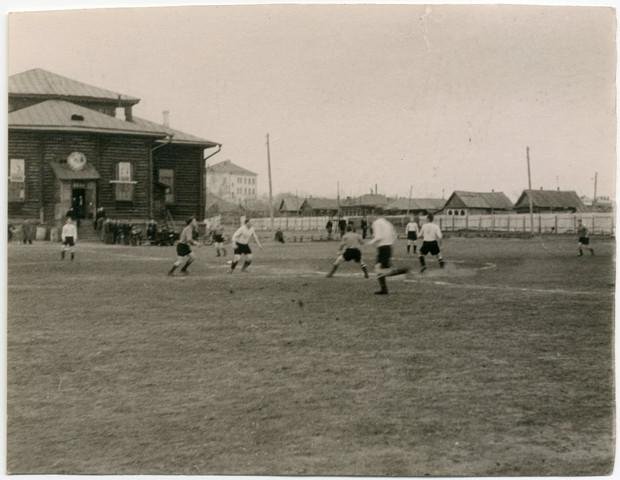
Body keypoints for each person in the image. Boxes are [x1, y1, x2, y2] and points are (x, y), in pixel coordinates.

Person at [368, 216, 409, 295]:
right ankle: (384, 289)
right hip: (388, 247)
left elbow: (378, 237)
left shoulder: (376, 223)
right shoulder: (388, 223)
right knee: (381, 269)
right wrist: (389, 242)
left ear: (375, 214)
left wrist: (370, 242)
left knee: (379, 269)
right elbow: (394, 235)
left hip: (383, 248)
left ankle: (403, 271)